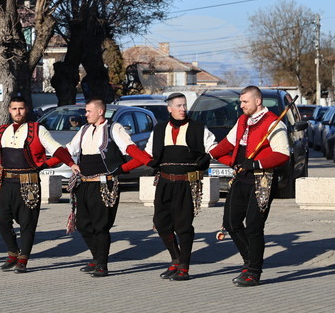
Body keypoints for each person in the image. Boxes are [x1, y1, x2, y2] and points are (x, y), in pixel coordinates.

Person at [0, 95, 74, 273]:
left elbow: (56, 149)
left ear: (27, 110)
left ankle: (23, 259)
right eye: (14, 108)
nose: (18, 112)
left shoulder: (38, 129)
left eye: (21, 108)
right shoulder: (2, 131)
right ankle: (12, 253)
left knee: (27, 222)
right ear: (9, 110)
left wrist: (68, 163)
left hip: (29, 183)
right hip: (5, 182)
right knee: (1, 219)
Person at [209, 86, 290, 287]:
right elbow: (227, 145)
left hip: (262, 180)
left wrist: (256, 163)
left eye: (245, 102)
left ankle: (254, 271)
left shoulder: (273, 123)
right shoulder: (242, 121)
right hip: (241, 178)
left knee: (254, 226)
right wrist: (208, 155)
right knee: (230, 222)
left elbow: (283, 154)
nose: (241, 105)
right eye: (241, 102)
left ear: (258, 101)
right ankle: (249, 260)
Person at [62, 97, 150, 277]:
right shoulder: (85, 129)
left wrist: (125, 168)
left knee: (101, 225)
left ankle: (102, 264)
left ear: (100, 111)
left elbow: (131, 149)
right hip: (84, 184)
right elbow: (69, 149)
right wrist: (67, 163)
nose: (85, 114)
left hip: (104, 185)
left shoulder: (113, 128)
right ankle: (97, 257)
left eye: (88, 111)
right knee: (83, 224)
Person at [144, 92, 217, 281]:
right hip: (164, 182)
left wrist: (205, 159)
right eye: (178, 106)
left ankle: (184, 266)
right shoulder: (159, 129)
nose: (183, 109)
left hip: (186, 183)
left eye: (184, 105)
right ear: (169, 108)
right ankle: (175, 259)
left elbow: (213, 148)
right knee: (161, 223)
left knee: (183, 225)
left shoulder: (198, 128)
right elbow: (148, 153)